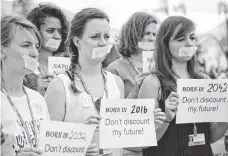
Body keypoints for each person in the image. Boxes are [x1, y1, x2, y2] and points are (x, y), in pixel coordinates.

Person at [138, 16, 228, 156]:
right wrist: (167, 118)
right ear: (165, 43)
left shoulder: (205, 81)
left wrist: (225, 118)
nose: (189, 43)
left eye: (192, 38)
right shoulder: (153, 82)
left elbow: (210, 137)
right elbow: (143, 142)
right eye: (181, 39)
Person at [44, 8, 125, 156]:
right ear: (77, 41)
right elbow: (48, 147)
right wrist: (79, 145)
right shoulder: (59, 86)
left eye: (106, 37)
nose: (102, 43)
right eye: (95, 37)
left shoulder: (117, 83)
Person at [1, 15, 49, 156]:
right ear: (2, 50)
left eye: (37, 46)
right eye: (26, 45)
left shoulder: (37, 99)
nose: (34, 53)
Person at [107, 12, 159, 99]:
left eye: (154, 34)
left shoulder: (160, 65)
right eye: (147, 33)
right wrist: (136, 90)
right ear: (133, 34)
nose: (151, 38)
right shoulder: (115, 68)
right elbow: (115, 110)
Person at [24, 4, 69, 95]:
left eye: (60, 31)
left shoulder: (69, 65)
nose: (57, 36)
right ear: (35, 31)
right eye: (50, 31)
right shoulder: (23, 68)